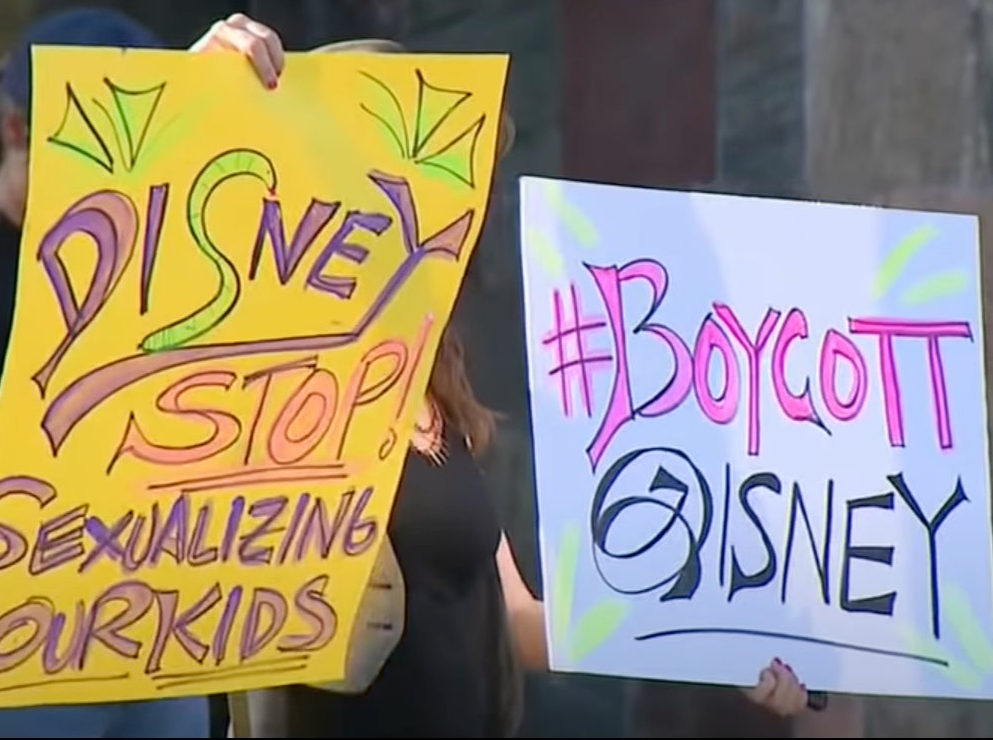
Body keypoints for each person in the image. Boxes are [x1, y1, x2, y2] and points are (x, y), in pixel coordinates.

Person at [237, 38, 813, 739]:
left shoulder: (435, 385)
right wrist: (213, 83)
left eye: (454, 184)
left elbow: (513, 618)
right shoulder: (267, 380)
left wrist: (715, 645)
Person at [0, 7, 284, 739]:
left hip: (148, 627)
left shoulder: (152, 252)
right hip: (12, 645)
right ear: (18, 135)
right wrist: (96, 372)